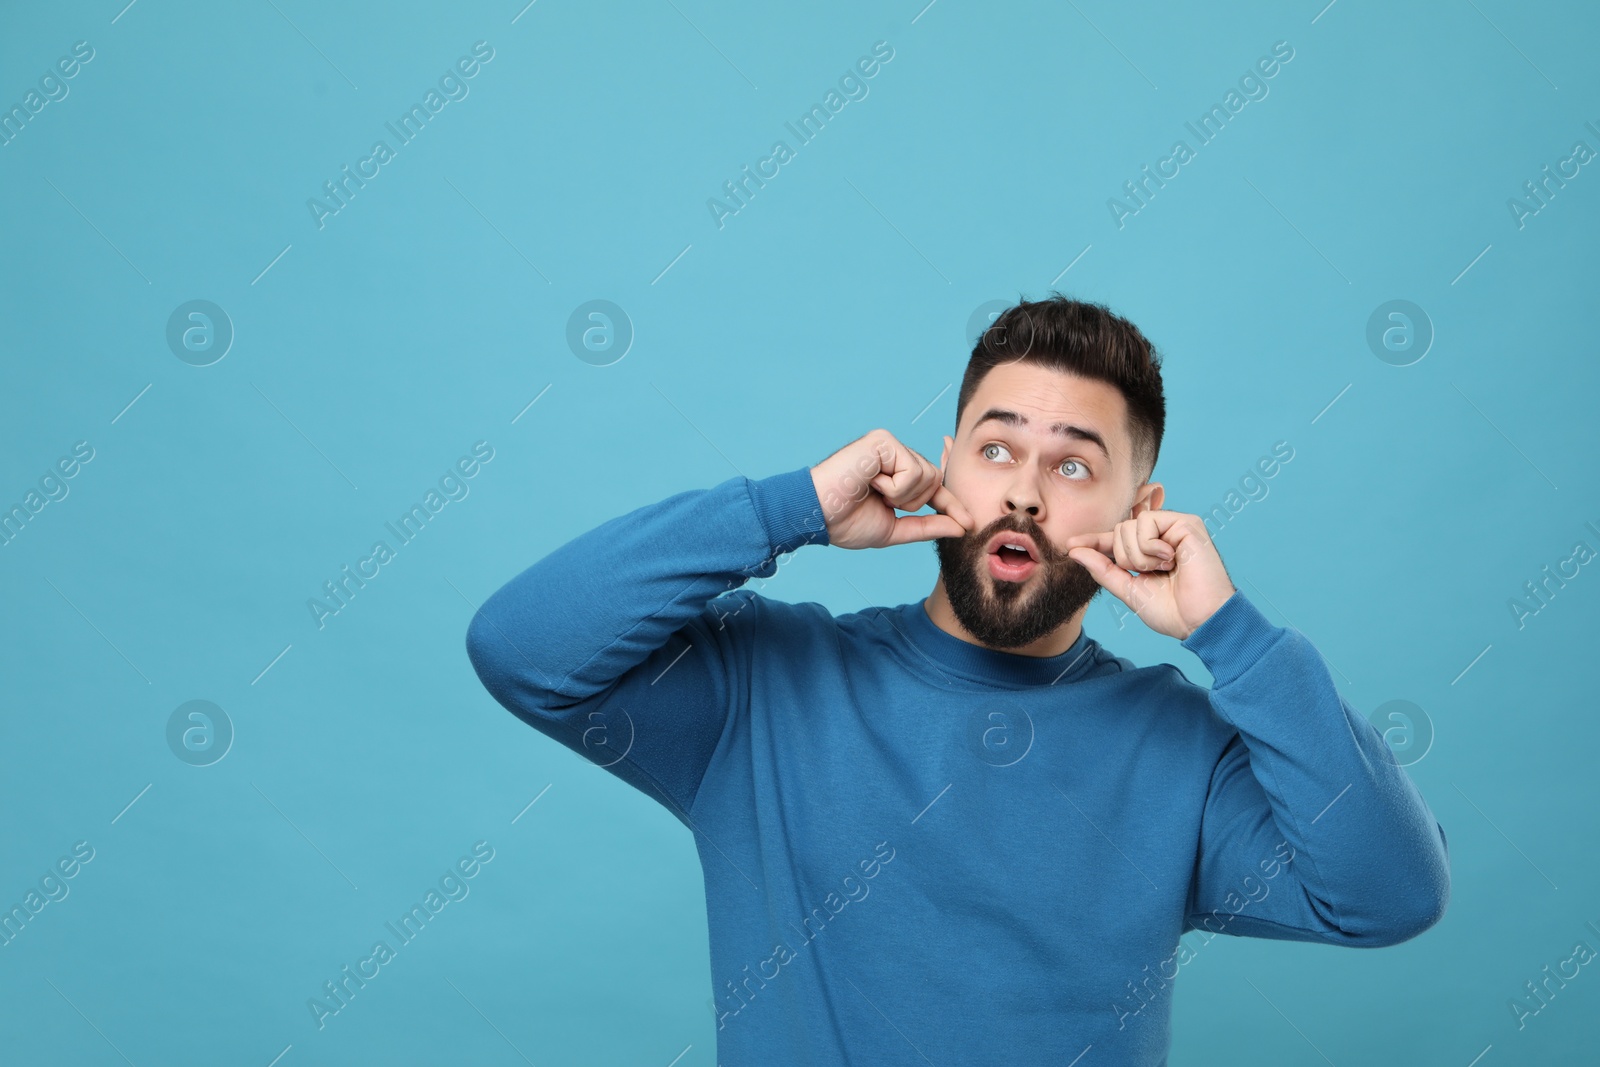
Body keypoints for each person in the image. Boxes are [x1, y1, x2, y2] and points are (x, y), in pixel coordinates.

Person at [464, 293, 1450, 1066]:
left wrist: (1229, 633)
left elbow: (1390, 892)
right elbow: (522, 646)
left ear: (1138, 509)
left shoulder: (1179, 748)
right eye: (995, 447)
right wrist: (791, 506)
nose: (1022, 486)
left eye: (1072, 466)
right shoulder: (764, 687)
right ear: (944, 467)